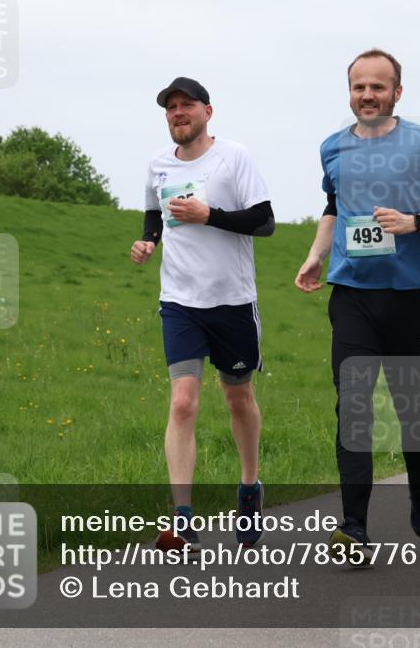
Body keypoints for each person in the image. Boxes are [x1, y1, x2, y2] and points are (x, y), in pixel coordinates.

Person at [294, 49, 420, 561]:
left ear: (397, 92)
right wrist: (314, 257)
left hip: (411, 297)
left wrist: (414, 222)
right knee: (352, 407)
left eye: (378, 86)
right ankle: (353, 529)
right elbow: (334, 207)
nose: (367, 95)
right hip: (351, 294)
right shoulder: (332, 148)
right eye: (358, 87)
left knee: (410, 407)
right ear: (349, 92)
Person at [131, 77, 276, 551]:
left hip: (232, 302)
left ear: (207, 112)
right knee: (182, 403)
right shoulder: (157, 164)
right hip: (179, 302)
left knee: (237, 399)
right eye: (170, 107)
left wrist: (209, 215)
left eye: (186, 105)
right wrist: (148, 241)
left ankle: (250, 486)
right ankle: (182, 519)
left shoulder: (233, 157)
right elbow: (155, 214)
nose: (178, 113)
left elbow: (264, 221)